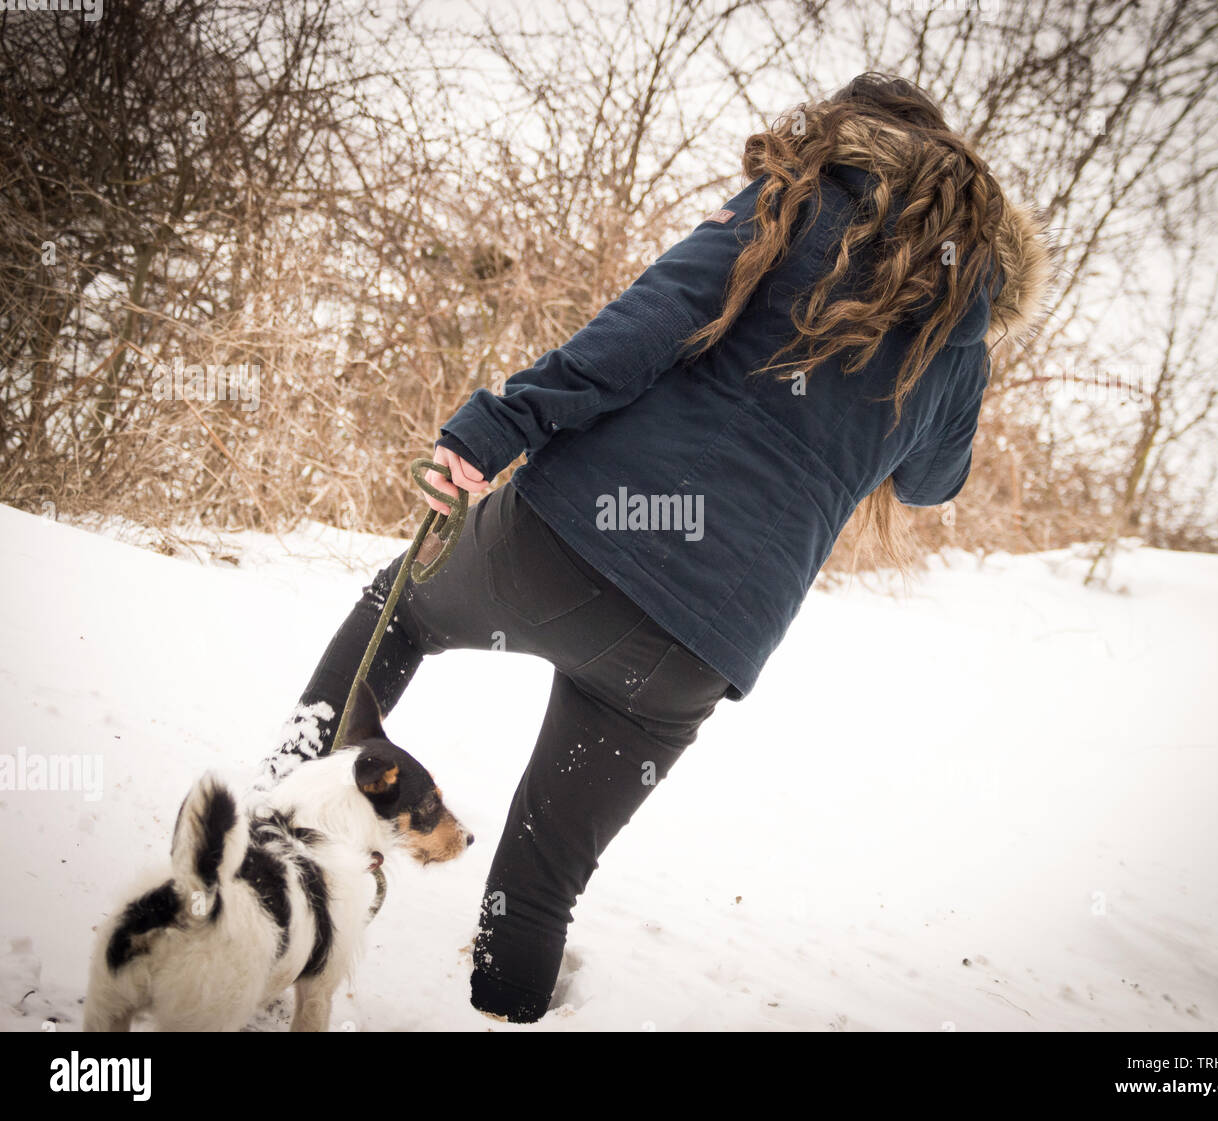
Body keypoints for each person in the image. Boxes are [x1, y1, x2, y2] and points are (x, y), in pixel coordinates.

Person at [261, 72, 1050, 1024]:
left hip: (570, 536)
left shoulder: (796, 206)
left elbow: (644, 324)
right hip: (696, 647)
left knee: (402, 609)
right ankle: (503, 1009)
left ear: (857, 139)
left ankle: (277, 830)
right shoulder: (959, 337)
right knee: (543, 875)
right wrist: (941, 372)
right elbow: (931, 482)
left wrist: (500, 426)